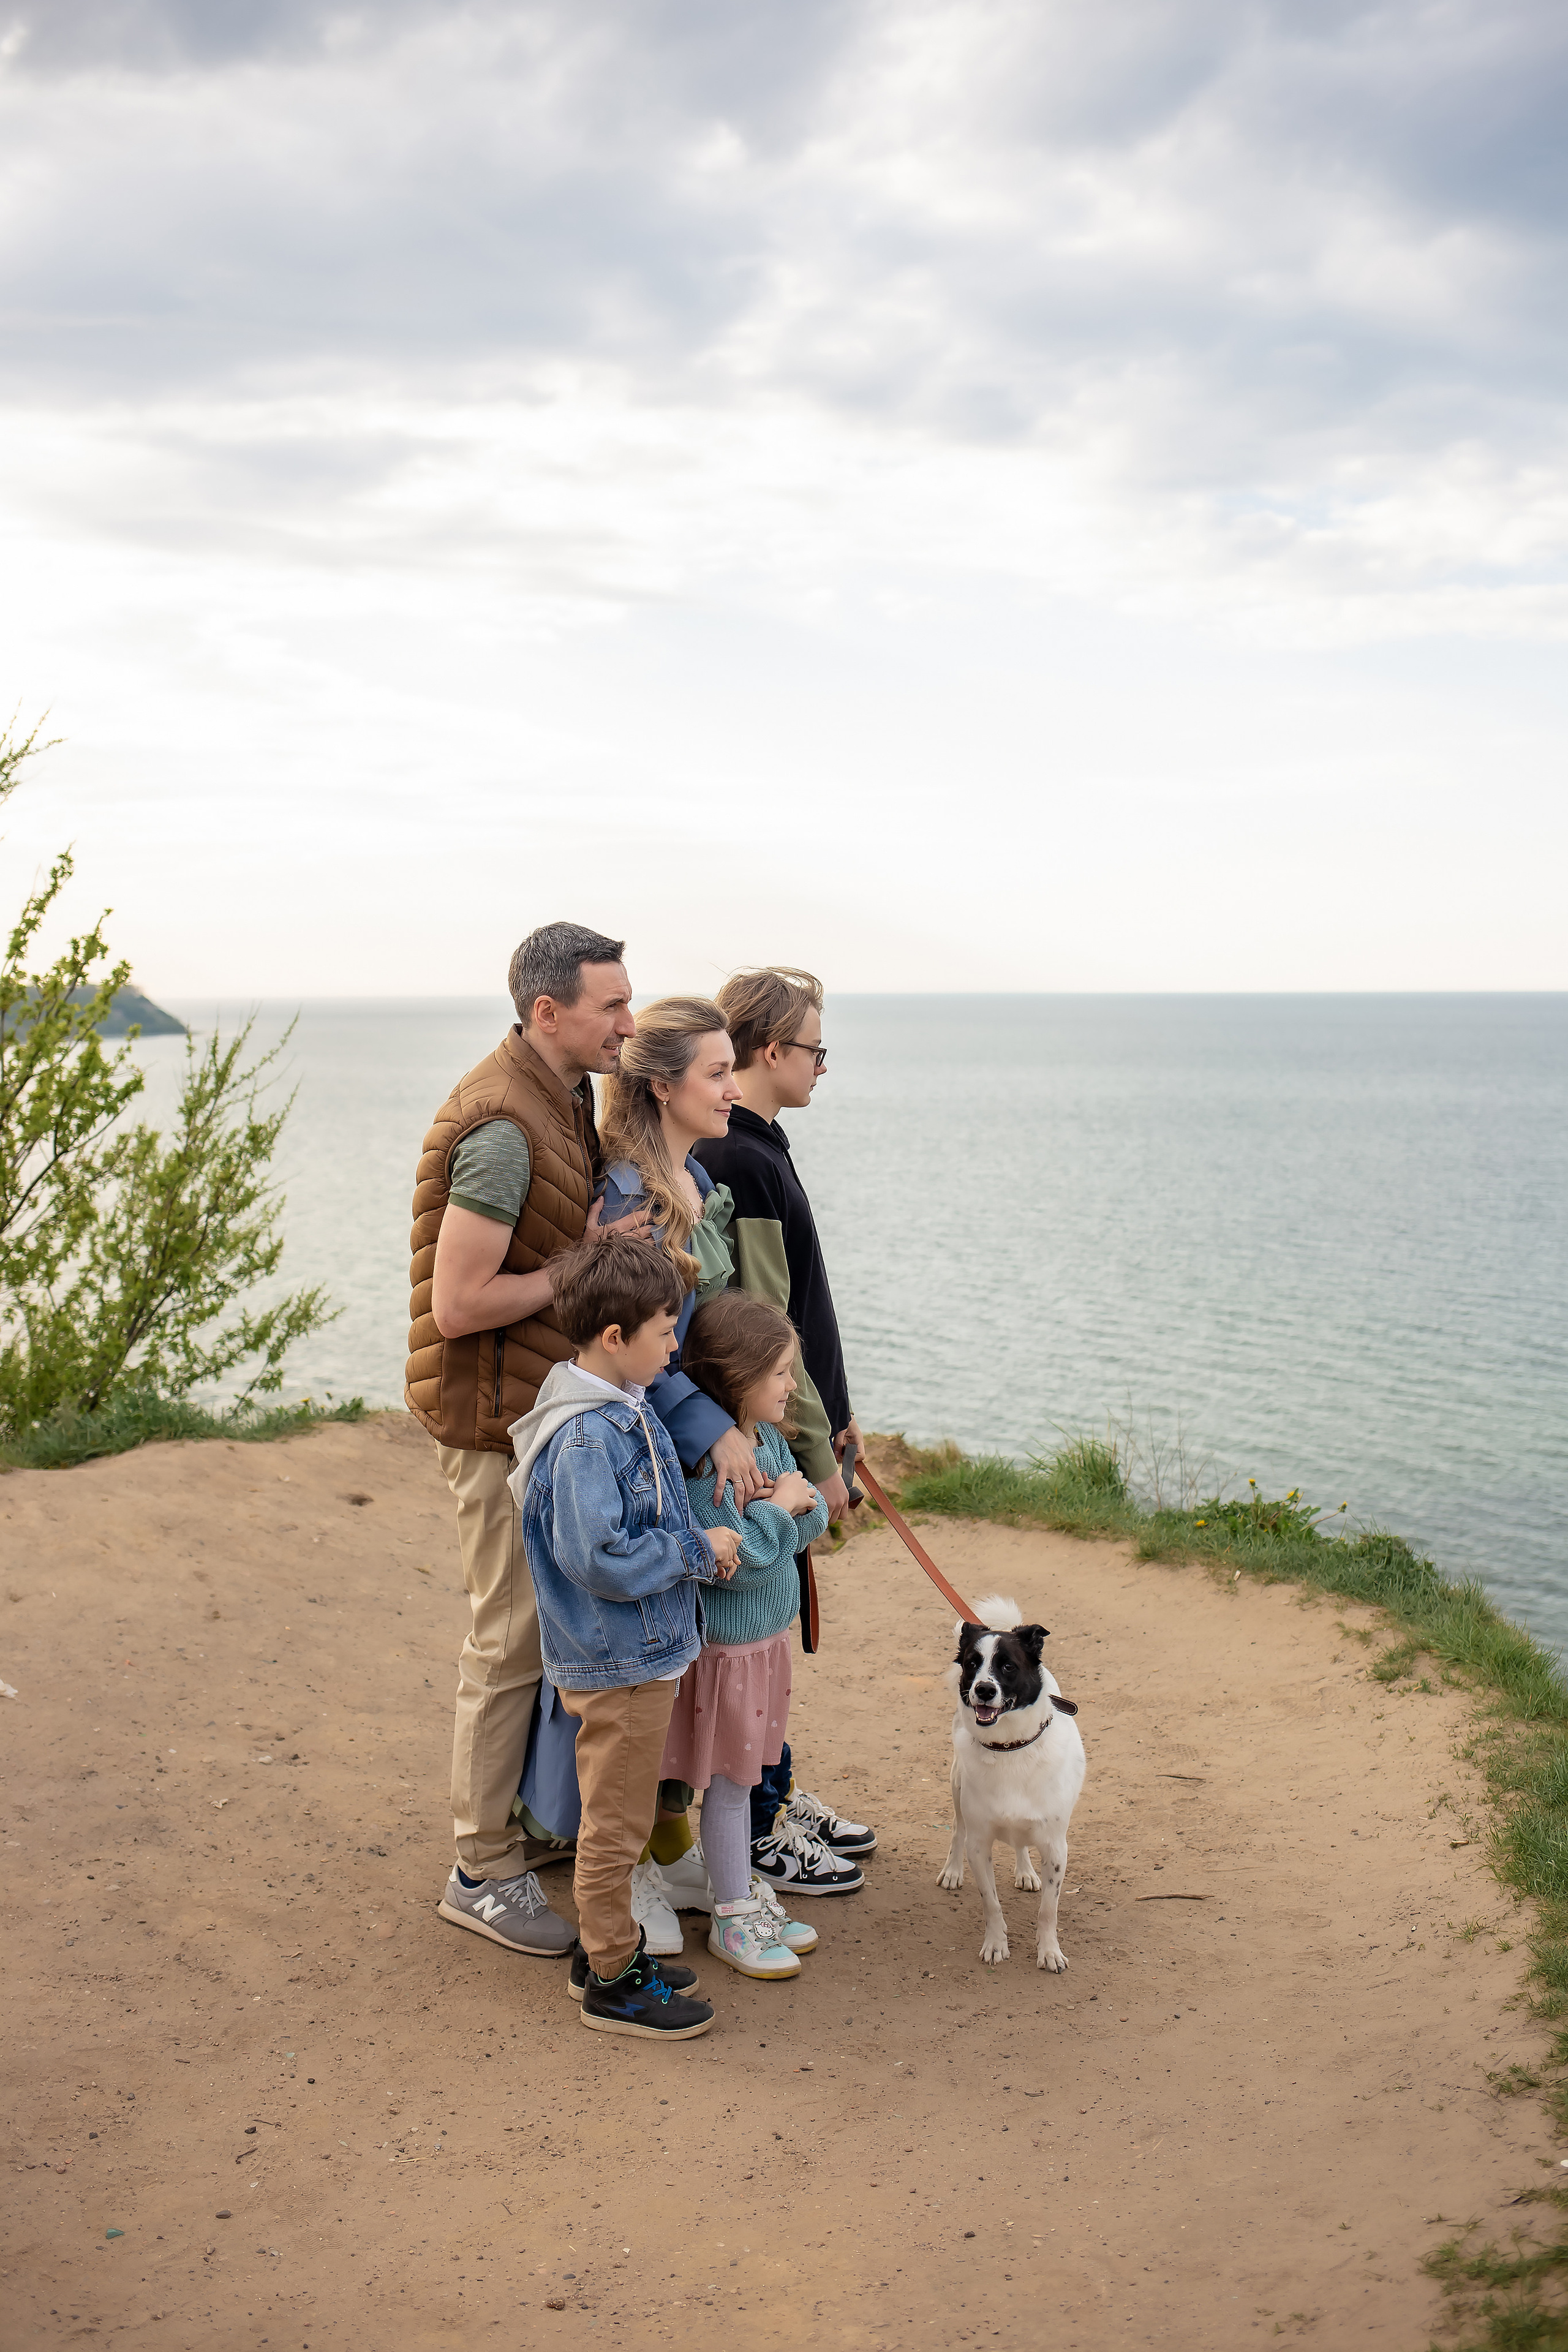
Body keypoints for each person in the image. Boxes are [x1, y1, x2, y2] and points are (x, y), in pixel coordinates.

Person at [409, 920, 647, 1959]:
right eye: (612, 1006)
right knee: (507, 1641)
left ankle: (513, 1833)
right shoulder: (502, 1126)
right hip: (492, 1420)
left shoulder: (564, 1095)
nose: (629, 1025)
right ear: (548, 1012)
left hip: (530, 1416)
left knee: (532, 1639)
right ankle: (480, 1869)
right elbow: (459, 1304)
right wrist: (582, 1261)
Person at [507, 1232, 741, 2040]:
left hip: (637, 1654)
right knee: (616, 1825)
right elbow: (597, 1555)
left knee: (623, 1814)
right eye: (666, 1330)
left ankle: (609, 1950)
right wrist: (693, 1552)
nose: (675, 1344)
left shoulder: (619, 1408)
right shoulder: (584, 1438)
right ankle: (612, 1977)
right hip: (617, 1663)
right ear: (616, 1338)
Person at [696, 965, 878, 1893]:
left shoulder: (763, 1148)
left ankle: (775, 1789)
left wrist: (839, 1422)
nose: (821, 1067)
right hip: (761, 1441)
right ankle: (760, 1818)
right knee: (760, 1621)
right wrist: (813, 1454)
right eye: (814, 1049)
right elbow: (770, 1327)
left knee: (771, 1621)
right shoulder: (745, 1161)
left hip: (793, 1431)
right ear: (772, 1050)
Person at [665, 1289, 830, 1978]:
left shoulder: (764, 1442)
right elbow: (736, 1563)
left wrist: (789, 1506)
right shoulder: (711, 1466)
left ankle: (733, 1895)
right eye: (781, 1373)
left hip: (764, 1650)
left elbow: (809, 1518)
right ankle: (732, 1914)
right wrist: (780, 1512)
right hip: (726, 1658)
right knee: (732, 1785)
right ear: (737, 1377)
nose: (792, 1386)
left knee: (747, 1774)